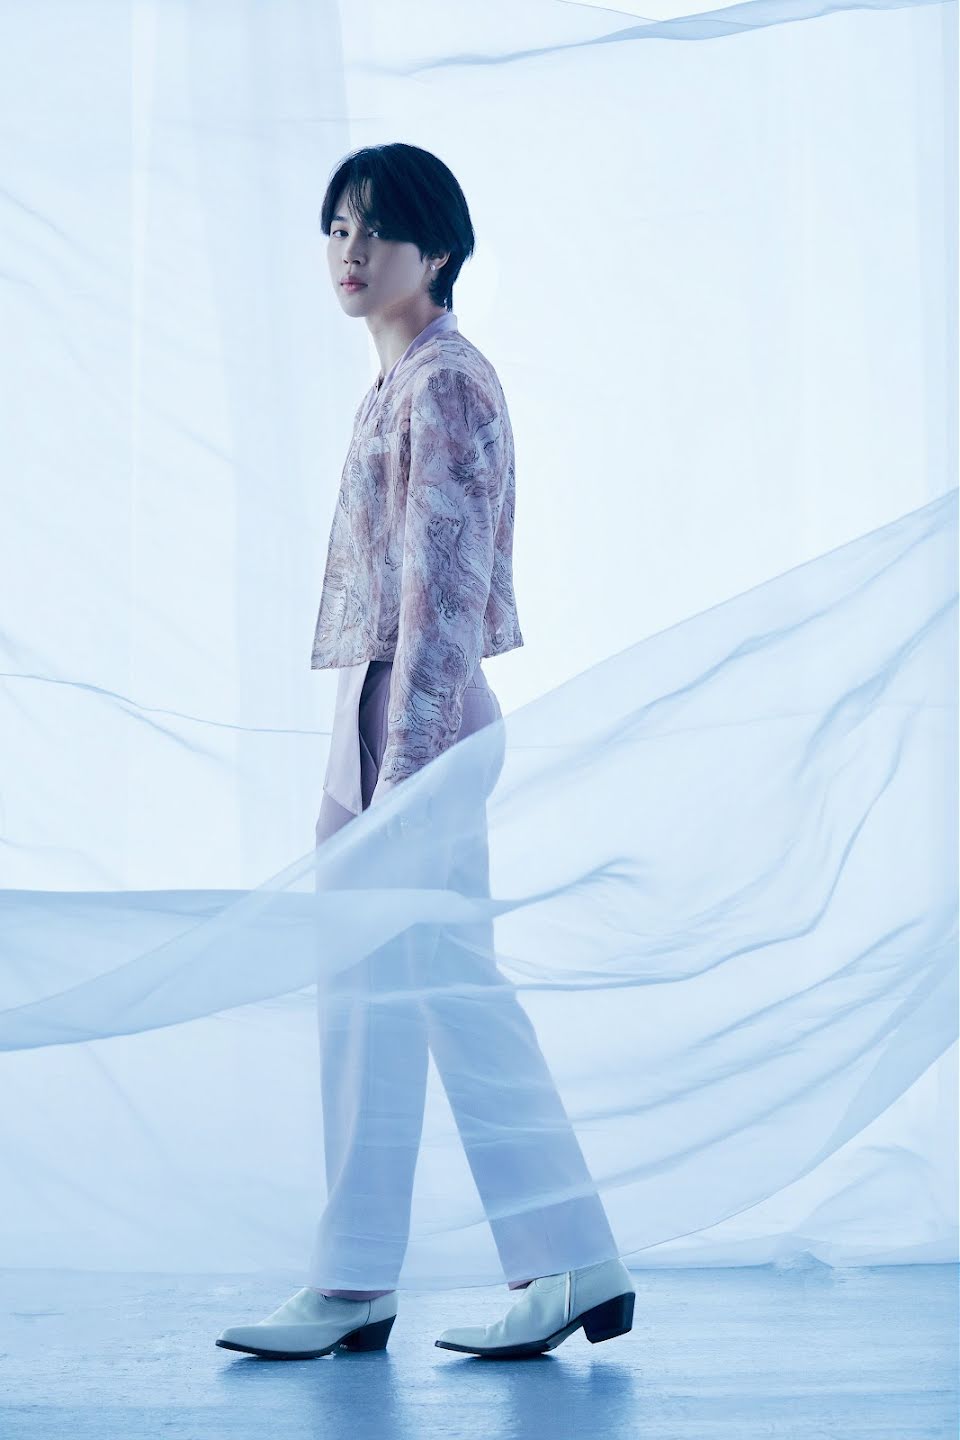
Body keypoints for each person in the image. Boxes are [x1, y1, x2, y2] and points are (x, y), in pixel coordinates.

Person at [216, 143, 635, 1361]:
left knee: (412, 999)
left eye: (377, 230)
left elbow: (442, 596)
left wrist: (403, 775)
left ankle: (377, 1283)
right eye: (338, 228)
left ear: (436, 250)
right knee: (406, 1002)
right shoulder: (401, 379)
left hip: (421, 723)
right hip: (384, 717)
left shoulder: (443, 384)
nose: (350, 251)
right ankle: (534, 1263)